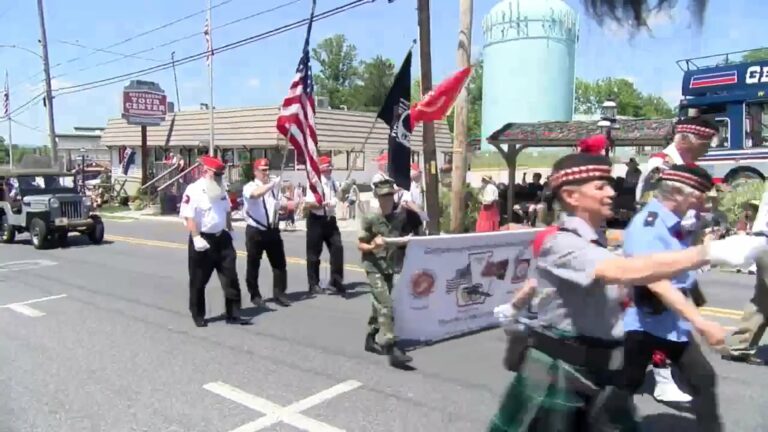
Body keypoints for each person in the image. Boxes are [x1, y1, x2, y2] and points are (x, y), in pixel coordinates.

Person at [487, 147, 768, 431]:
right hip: (558, 371)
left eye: (609, 184)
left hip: (599, 369)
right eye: (600, 186)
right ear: (572, 196)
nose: (611, 192)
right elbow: (623, 271)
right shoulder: (560, 242)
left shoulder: (597, 240)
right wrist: (710, 253)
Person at [622, 164, 732, 431]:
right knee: (623, 385)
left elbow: (681, 271)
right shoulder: (648, 225)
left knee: (703, 378)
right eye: (699, 196)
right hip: (643, 322)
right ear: (677, 193)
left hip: (670, 322)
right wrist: (702, 322)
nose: (703, 202)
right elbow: (656, 281)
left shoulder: (675, 223)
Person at [634, 115, 720, 403]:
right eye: (706, 143)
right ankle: (660, 377)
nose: (709, 149)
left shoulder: (691, 167)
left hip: (680, 245)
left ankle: (631, 371)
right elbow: (654, 210)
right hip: (657, 245)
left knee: (658, 316)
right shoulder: (662, 165)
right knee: (658, 309)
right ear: (688, 140)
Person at [358, 178, 424, 368]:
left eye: (389, 195)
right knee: (386, 303)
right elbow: (360, 244)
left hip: (389, 266)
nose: (387, 199)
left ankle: (370, 337)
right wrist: (372, 245)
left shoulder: (400, 217)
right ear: (377, 197)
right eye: (383, 196)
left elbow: (409, 235)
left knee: (378, 304)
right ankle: (392, 347)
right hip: (373, 266)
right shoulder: (370, 218)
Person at [179, 155, 249, 327]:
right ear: (206, 171)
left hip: (222, 238)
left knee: (231, 277)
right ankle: (198, 314)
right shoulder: (193, 190)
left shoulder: (220, 189)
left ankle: (233, 312)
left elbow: (226, 211)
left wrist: (230, 229)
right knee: (198, 280)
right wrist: (195, 237)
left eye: (221, 174)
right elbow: (188, 215)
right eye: (216, 174)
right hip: (202, 239)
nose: (219, 177)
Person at [242, 158, 291, 308]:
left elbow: (277, 203)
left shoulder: (273, 189)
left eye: (268, 169)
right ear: (255, 172)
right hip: (255, 231)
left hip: (272, 230)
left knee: (279, 264)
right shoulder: (249, 186)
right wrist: (271, 185)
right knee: (253, 264)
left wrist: (287, 205)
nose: (267, 172)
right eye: (263, 170)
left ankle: (279, 293)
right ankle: (255, 295)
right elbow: (256, 194)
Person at [304, 155, 345, 296]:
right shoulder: (314, 183)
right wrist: (322, 204)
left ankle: (335, 281)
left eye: (331, 167)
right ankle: (313, 284)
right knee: (314, 254)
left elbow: (340, 195)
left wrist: (342, 194)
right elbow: (308, 204)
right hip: (316, 220)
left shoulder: (333, 181)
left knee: (337, 248)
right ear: (320, 168)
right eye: (327, 167)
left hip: (330, 220)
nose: (330, 170)